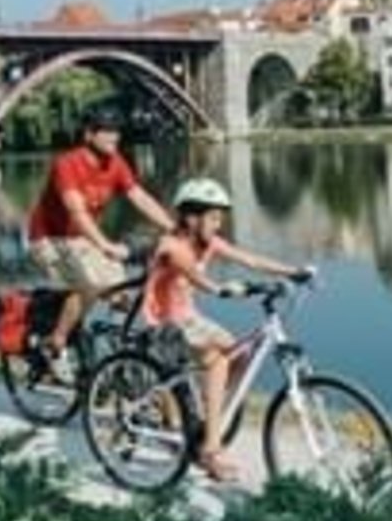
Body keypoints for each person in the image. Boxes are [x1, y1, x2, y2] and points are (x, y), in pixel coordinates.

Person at [144, 177, 309, 483]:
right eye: (214, 218)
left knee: (240, 354)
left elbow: (251, 260)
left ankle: (207, 416)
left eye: (221, 218)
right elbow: (191, 274)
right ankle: (211, 449)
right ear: (192, 218)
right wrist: (219, 289)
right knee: (219, 360)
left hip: (189, 317)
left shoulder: (208, 242)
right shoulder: (172, 245)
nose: (219, 225)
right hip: (165, 322)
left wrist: (295, 272)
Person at [26, 104, 175, 375]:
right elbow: (77, 211)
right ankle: (56, 344)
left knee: (122, 293)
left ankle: (115, 352)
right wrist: (105, 245)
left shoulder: (115, 163)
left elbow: (139, 197)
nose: (114, 137)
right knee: (90, 286)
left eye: (116, 131)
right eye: (106, 131)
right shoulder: (67, 164)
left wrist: (174, 228)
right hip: (49, 239)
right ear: (88, 135)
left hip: (83, 239)